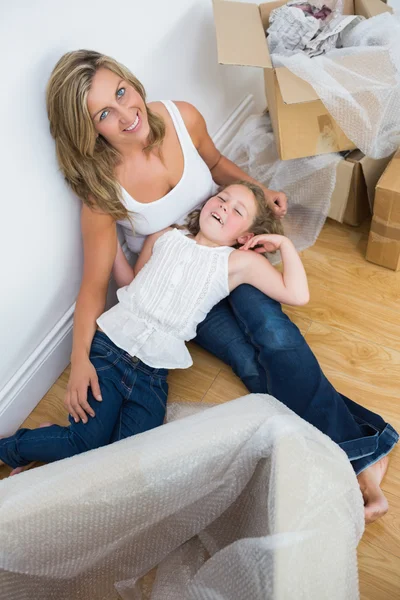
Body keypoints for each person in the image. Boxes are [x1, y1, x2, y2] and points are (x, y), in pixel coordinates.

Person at [41, 49, 397, 524]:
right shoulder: (102, 192)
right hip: (180, 287)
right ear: (90, 129)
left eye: (122, 93)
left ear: (130, 81)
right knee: (249, 361)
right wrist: (80, 359)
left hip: (225, 252)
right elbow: (93, 284)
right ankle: (366, 443)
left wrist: (257, 188)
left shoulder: (181, 117)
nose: (127, 115)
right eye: (104, 112)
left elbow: (217, 162)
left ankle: (357, 452)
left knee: (273, 333)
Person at [0, 181, 301, 473]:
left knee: (125, 467)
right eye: (222, 198)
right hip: (110, 353)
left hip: (153, 375)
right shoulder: (165, 236)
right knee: (83, 444)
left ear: (245, 236)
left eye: (238, 211)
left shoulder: (238, 263)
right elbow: (132, 284)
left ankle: (48, 438)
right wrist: (111, 243)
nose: (224, 208)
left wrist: (284, 244)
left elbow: (297, 294)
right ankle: (12, 449)